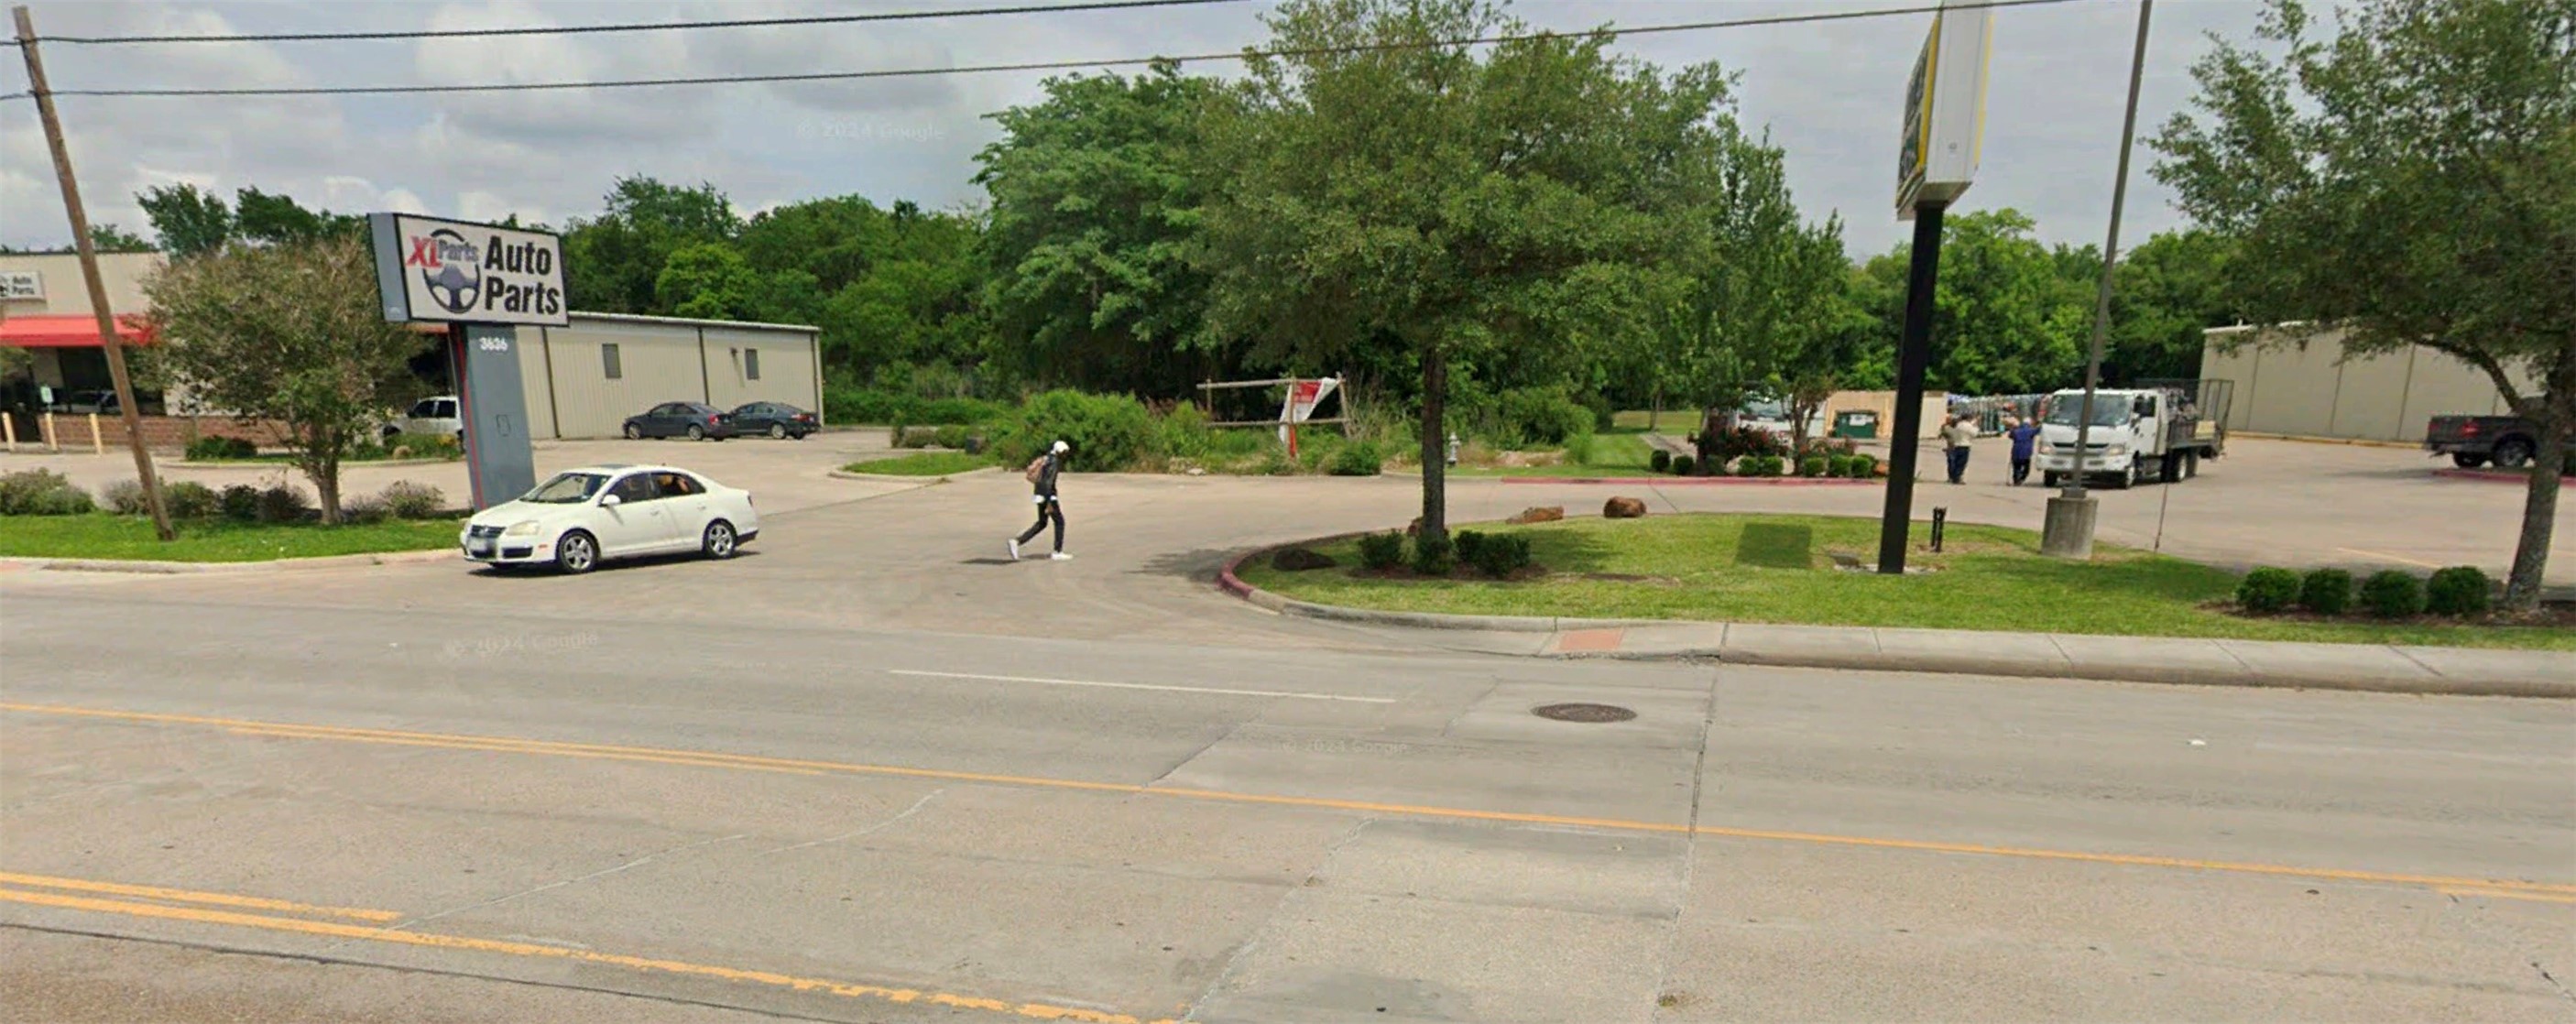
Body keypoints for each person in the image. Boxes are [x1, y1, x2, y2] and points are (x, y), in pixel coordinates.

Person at [1010, 441, 1071, 561]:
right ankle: (1057, 551)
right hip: (1048, 496)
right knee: (1060, 522)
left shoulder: (1047, 459)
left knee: (1042, 523)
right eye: (1064, 452)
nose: (1065, 455)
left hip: (1039, 493)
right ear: (1060, 451)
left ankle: (1017, 542)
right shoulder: (1054, 462)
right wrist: (1049, 501)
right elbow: (1048, 482)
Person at [2005, 415, 2043, 485]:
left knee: (2016, 468)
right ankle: (2021, 478)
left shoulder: (2016, 431)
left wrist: (2013, 427)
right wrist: (2040, 423)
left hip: (2016, 452)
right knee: (2026, 469)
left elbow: (2010, 435)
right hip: (2026, 453)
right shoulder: (2031, 431)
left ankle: (2016, 480)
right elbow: (2039, 429)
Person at [1941, 414, 1977, 485]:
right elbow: (1974, 434)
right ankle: (1957, 478)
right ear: (1968, 418)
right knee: (1961, 463)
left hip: (1956, 445)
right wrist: (1975, 426)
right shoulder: (1968, 425)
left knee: (1955, 462)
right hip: (1965, 445)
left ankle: (1953, 477)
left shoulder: (1958, 425)